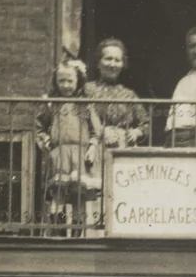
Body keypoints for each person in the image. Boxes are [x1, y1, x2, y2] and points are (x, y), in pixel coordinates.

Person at [34, 57, 101, 235]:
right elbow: (40, 126)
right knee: (59, 193)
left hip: (79, 156)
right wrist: (46, 140)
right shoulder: (52, 104)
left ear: (78, 81)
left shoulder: (85, 104)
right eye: (61, 81)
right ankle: (59, 230)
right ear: (56, 82)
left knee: (78, 195)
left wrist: (92, 147)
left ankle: (78, 233)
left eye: (70, 81)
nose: (65, 85)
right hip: (60, 155)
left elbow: (95, 131)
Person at [85, 38, 150, 150]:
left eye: (117, 60)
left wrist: (136, 132)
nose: (112, 64)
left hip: (122, 149)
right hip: (93, 148)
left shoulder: (129, 95)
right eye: (108, 59)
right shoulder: (86, 90)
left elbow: (146, 124)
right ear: (98, 63)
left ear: (122, 64)